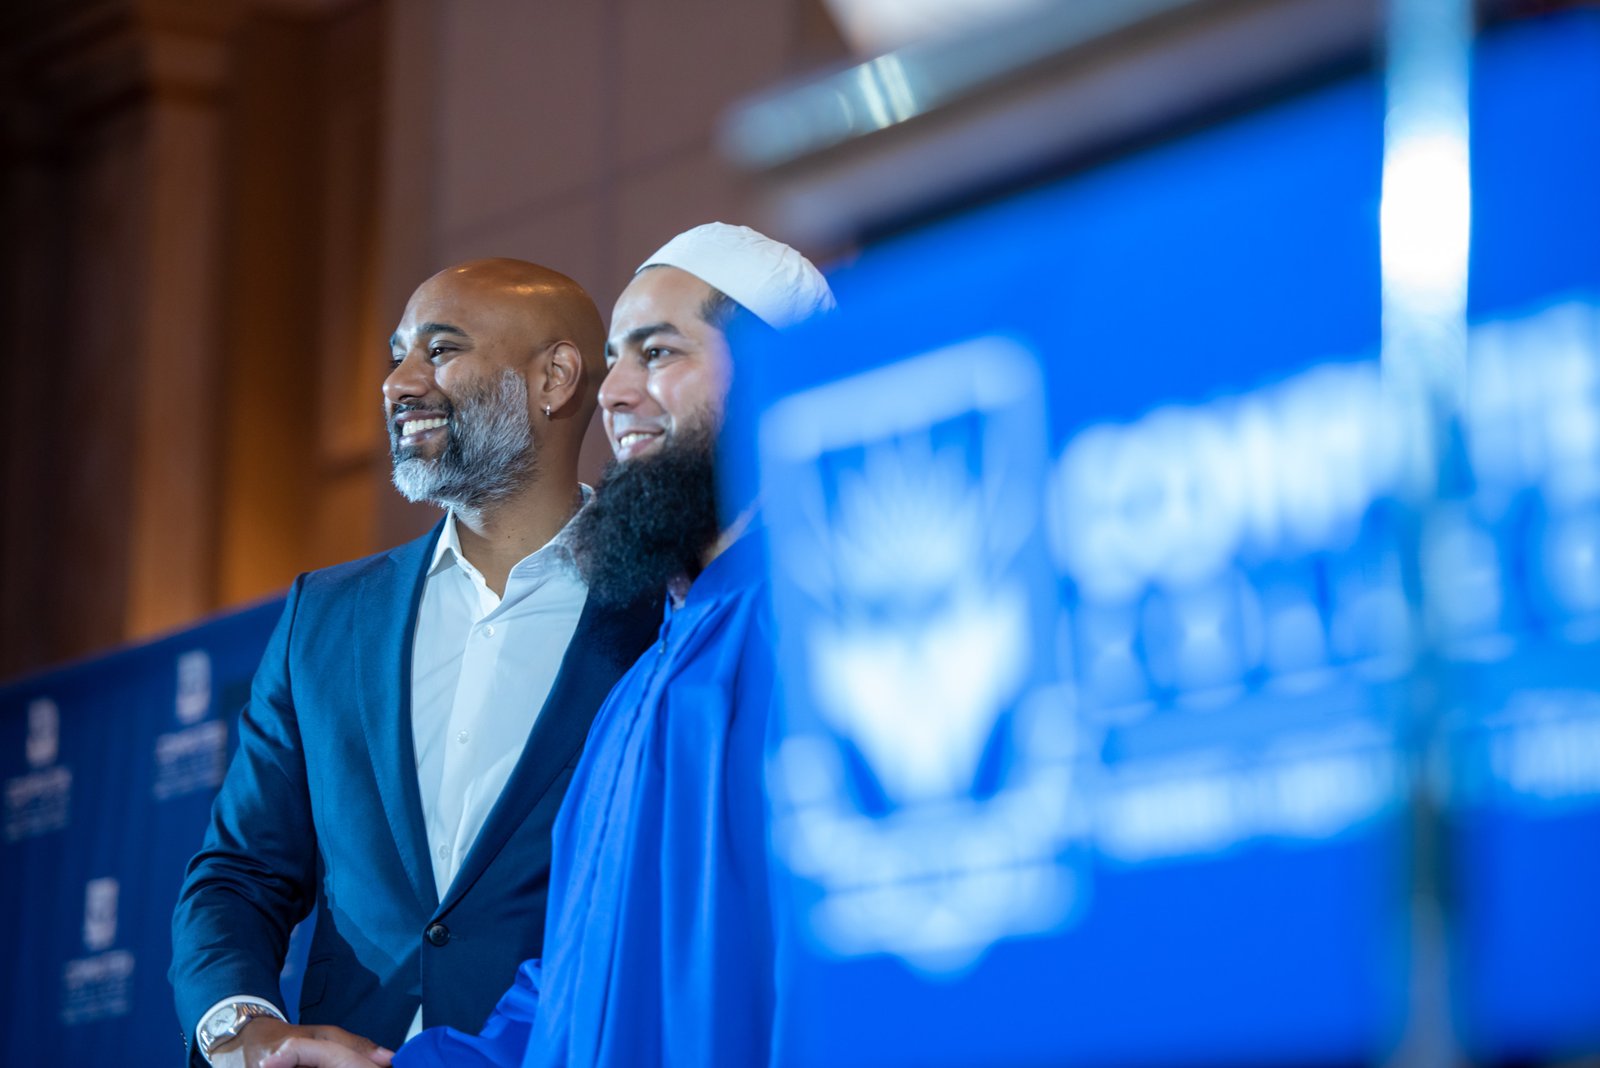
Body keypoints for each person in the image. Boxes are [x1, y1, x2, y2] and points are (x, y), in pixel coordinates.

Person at [259, 223, 834, 1068]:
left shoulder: (814, 629)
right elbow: (579, 976)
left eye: (658, 353)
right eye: (616, 358)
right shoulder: (650, 675)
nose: (615, 392)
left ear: (775, 369)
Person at [171, 259, 661, 1068]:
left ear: (554, 378)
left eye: (440, 350)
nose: (397, 383)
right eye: (397, 354)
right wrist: (246, 1032)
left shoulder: (662, 612)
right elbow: (238, 873)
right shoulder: (325, 616)